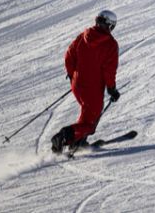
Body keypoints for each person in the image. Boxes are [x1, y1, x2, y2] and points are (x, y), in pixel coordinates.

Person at [51, 10, 120, 153]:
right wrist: (112, 89)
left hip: (77, 84)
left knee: (86, 115)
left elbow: (69, 56)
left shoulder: (84, 36)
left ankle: (78, 141)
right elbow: (109, 71)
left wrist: (72, 76)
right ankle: (65, 136)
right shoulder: (110, 44)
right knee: (90, 123)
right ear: (109, 26)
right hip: (93, 89)